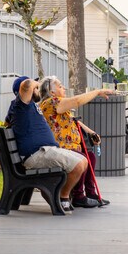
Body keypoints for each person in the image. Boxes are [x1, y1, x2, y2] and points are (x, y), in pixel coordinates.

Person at [6, 76, 88, 213]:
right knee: (78, 165)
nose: (38, 89)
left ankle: (54, 193)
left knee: (83, 160)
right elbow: (26, 85)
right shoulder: (21, 105)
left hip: (45, 150)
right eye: (35, 88)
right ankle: (62, 196)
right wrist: (36, 83)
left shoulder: (29, 106)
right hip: (37, 154)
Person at [38, 75, 115, 208]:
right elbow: (77, 101)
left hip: (72, 146)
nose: (64, 88)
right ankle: (78, 196)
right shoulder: (51, 103)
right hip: (62, 147)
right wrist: (97, 92)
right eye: (60, 86)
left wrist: (91, 132)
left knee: (90, 157)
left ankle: (90, 193)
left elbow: (74, 120)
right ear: (52, 92)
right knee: (82, 159)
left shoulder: (58, 104)